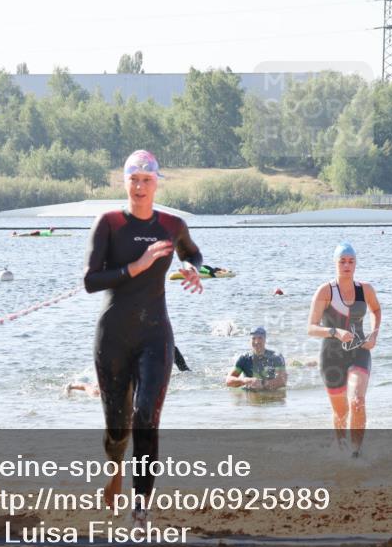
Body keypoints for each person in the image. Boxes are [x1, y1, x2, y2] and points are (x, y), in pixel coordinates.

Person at [84, 149, 203, 527]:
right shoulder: (108, 223)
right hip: (113, 335)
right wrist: (138, 265)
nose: (139, 187)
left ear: (157, 184)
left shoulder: (172, 225)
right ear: (125, 183)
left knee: (146, 417)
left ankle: (141, 508)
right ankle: (115, 467)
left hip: (155, 334)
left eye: (146, 180)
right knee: (117, 430)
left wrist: (190, 268)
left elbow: (194, 254)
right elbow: (91, 281)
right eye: (133, 180)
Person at [308, 242, 381, 457]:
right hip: (331, 356)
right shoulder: (325, 291)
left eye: (351, 262)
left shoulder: (365, 289)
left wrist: (374, 333)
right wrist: (335, 332)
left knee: (357, 401)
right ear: (335, 264)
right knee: (341, 413)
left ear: (355, 264)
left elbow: (376, 309)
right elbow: (311, 328)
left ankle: (356, 453)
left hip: (359, 350)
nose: (347, 266)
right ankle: (340, 448)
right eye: (342, 262)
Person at [226, 327, 287, 391]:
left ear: (265, 339)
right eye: (253, 338)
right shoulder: (244, 359)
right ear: (250, 341)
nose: (256, 341)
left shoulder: (276, 357)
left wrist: (263, 384)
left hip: (270, 392)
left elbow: (282, 381)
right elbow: (228, 380)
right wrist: (246, 380)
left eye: (260, 338)